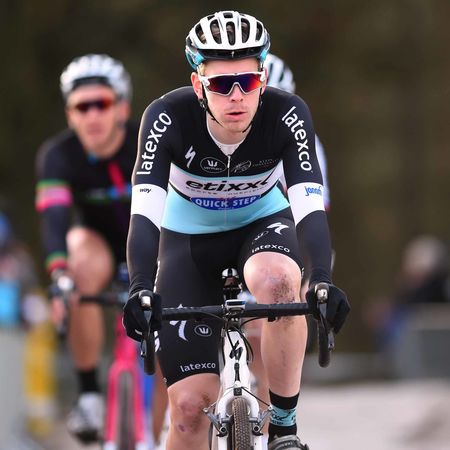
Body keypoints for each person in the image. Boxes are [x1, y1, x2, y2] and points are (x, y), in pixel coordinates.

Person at [123, 10, 350, 450]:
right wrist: (139, 287)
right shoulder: (166, 117)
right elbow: (145, 215)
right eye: (221, 84)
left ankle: (283, 428)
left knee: (280, 282)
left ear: (262, 79)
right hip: (188, 242)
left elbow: (308, 207)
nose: (236, 96)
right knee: (189, 409)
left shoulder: (288, 114)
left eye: (247, 81)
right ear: (197, 85)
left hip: (261, 225)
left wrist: (321, 278)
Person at [35, 53, 137, 443]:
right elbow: (55, 218)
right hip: (98, 245)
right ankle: (89, 393)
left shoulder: (147, 141)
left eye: (102, 103)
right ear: (69, 115)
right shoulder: (58, 155)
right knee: (76, 264)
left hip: (153, 241)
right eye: (82, 106)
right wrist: (59, 274)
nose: (92, 115)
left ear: (122, 108)